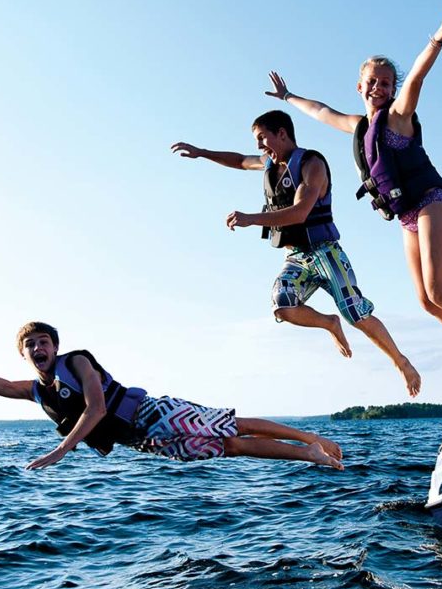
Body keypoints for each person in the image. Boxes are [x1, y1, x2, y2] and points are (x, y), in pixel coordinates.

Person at [265, 1, 442, 387]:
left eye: (385, 83)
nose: (378, 88)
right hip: (406, 217)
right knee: (426, 300)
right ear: (360, 86)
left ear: (392, 90)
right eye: (371, 81)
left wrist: (436, 42)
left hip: (431, 203)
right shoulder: (357, 126)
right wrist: (288, 97)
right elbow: (321, 111)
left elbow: (417, 79)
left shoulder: (399, 116)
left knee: (441, 289)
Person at [171, 110, 421, 396]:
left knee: (356, 313)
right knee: (283, 305)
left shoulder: (311, 165)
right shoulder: (269, 164)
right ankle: (329, 323)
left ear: (282, 133)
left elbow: (301, 212)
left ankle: (401, 362)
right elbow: (239, 161)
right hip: (297, 257)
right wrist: (201, 152)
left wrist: (251, 218)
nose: (259, 146)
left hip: (326, 253)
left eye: (262, 138)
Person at [0, 323, 344, 470]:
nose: (39, 348)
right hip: (144, 441)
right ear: (24, 355)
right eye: (31, 345)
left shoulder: (78, 362)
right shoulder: (32, 390)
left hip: (153, 413)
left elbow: (98, 407)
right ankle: (310, 455)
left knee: (233, 424)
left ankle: (309, 437)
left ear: (55, 347)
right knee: (231, 448)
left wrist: (61, 450)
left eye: (45, 341)